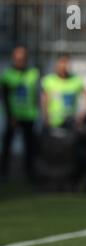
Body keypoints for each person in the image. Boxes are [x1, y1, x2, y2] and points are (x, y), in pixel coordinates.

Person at [41, 54, 86, 192]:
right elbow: (44, 100)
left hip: (70, 124)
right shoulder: (49, 81)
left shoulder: (76, 80)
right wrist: (46, 117)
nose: (63, 67)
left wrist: (82, 113)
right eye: (61, 64)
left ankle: (72, 182)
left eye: (66, 64)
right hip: (54, 124)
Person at [0, 46, 39, 182]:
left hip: (29, 115)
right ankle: (4, 173)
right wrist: (10, 115)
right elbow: (4, 97)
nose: (20, 60)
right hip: (13, 116)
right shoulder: (7, 75)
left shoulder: (33, 73)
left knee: (30, 146)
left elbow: (37, 94)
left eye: (22, 58)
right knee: (7, 145)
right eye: (17, 57)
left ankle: (30, 174)